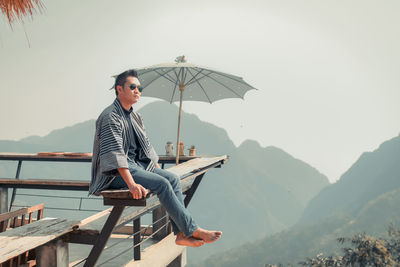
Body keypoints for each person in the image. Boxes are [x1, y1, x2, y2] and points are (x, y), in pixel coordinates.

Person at [88, 69, 222, 247]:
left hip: (136, 167)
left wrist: (157, 169)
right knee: (162, 184)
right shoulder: (110, 116)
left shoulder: (135, 116)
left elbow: (146, 147)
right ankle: (192, 229)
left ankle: (181, 233)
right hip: (114, 175)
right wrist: (132, 184)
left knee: (172, 178)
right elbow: (115, 155)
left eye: (140, 88)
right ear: (119, 89)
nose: (137, 91)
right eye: (133, 86)